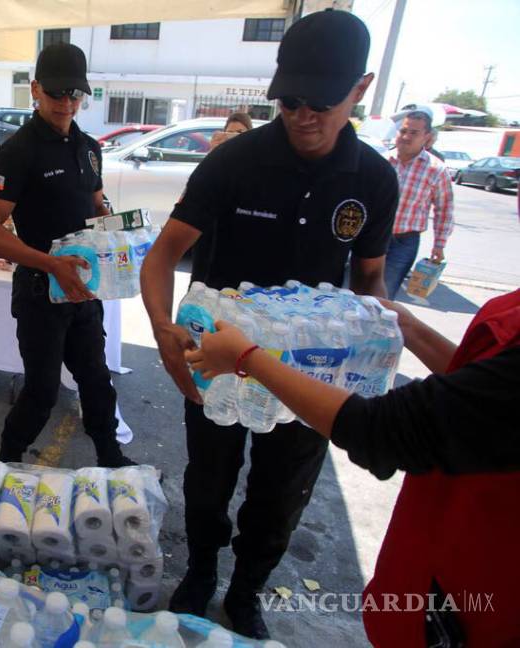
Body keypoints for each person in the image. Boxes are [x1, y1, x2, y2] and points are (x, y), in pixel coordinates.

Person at [139, 10, 398, 638]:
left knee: (280, 498)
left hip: (307, 370)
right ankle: (201, 572)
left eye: (321, 100)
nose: (302, 113)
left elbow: (368, 284)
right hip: (220, 360)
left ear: (360, 90)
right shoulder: (235, 163)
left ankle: (248, 588)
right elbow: (163, 255)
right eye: (288, 99)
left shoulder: (374, 179)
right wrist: (163, 328)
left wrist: (377, 353)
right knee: (208, 483)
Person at [186, 290, 520, 646]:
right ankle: (202, 577)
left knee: (277, 501)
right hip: (434, 558)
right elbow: (478, 390)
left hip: (479, 593)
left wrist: (249, 358)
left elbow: (383, 431)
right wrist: (409, 328)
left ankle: (245, 595)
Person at [0, 43, 135, 469]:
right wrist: (49, 263)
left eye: (75, 95)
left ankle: (111, 457)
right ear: (36, 90)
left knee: (97, 381)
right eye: (57, 94)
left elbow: (97, 204)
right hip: (41, 291)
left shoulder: (88, 147)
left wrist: (118, 228)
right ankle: (6, 462)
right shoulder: (17, 151)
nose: (66, 103)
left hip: (85, 287)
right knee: (42, 392)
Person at [383, 110, 454, 299]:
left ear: (427, 137)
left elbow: (444, 210)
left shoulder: (436, 170)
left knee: (384, 295)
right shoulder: (382, 161)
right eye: (403, 131)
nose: (405, 137)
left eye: (413, 133)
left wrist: (439, 245)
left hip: (403, 242)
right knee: (357, 290)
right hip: (372, 236)